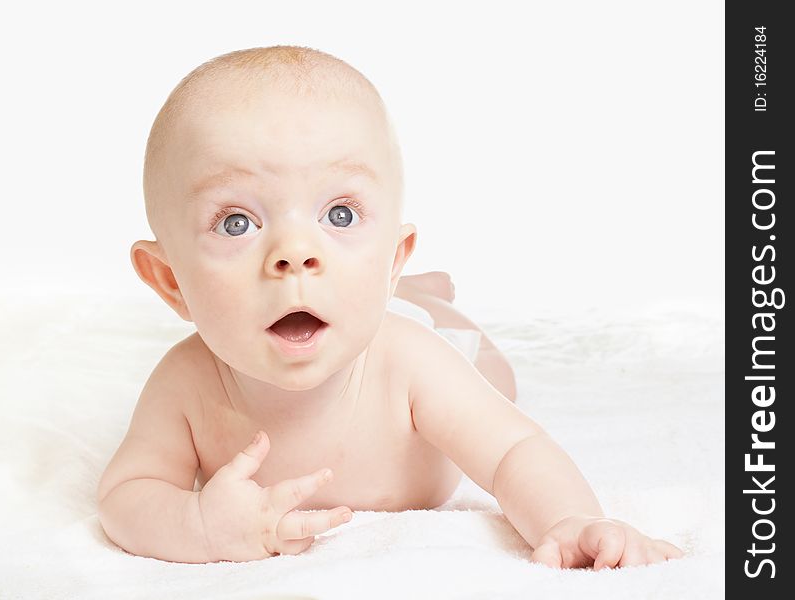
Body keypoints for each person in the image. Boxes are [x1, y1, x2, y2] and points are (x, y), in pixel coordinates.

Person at [97, 45, 682, 568]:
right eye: (236, 222)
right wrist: (199, 528)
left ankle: (426, 297)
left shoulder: (410, 364)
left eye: (340, 216)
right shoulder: (185, 385)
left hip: (433, 345)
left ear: (390, 255)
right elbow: (128, 495)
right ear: (170, 281)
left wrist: (566, 520)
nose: (295, 254)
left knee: (491, 381)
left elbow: (513, 449)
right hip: (366, 311)